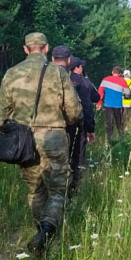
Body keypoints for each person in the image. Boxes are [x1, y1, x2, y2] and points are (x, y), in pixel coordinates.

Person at [0, 32, 81, 255]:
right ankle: (47, 231)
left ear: (25, 49)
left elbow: (0, 115)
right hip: (53, 136)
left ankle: (40, 234)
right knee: (57, 191)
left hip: (24, 141)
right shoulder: (58, 72)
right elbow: (74, 110)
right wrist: (67, 123)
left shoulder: (11, 73)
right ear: (46, 48)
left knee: (35, 190)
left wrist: (5, 141)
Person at [50, 47, 98, 190]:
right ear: (70, 62)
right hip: (74, 125)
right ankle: (72, 187)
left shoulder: (45, 76)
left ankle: (54, 187)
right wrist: (90, 128)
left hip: (49, 126)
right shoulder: (81, 81)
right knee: (75, 156)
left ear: (52, 59)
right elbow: (87, 107)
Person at [97, 66, 131, 142]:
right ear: (119, 74)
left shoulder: (105, 80)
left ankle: (108, 141)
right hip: (118, 106)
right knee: (119, 124)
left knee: (109, 124)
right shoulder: (122, 81)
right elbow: (128, 93)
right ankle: (122, 140)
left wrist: (99, 103)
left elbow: (100, 93)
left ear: (112, 72)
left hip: (108, 105)